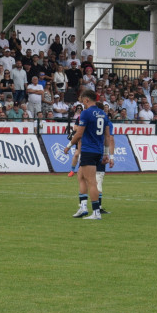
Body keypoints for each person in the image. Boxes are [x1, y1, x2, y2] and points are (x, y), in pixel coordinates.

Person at [69, 88, 114, 220]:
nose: (82, 102)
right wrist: (106, 153)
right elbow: (107, 136)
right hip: (98, 150)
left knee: (91, 182)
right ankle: (83, 207)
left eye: (83, 100)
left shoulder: (86, 113)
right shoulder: (103, 113)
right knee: (81, 176)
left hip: (88, 150)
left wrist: (69, 145)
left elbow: (79, 133)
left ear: (87, 99)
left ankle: (96, 212)